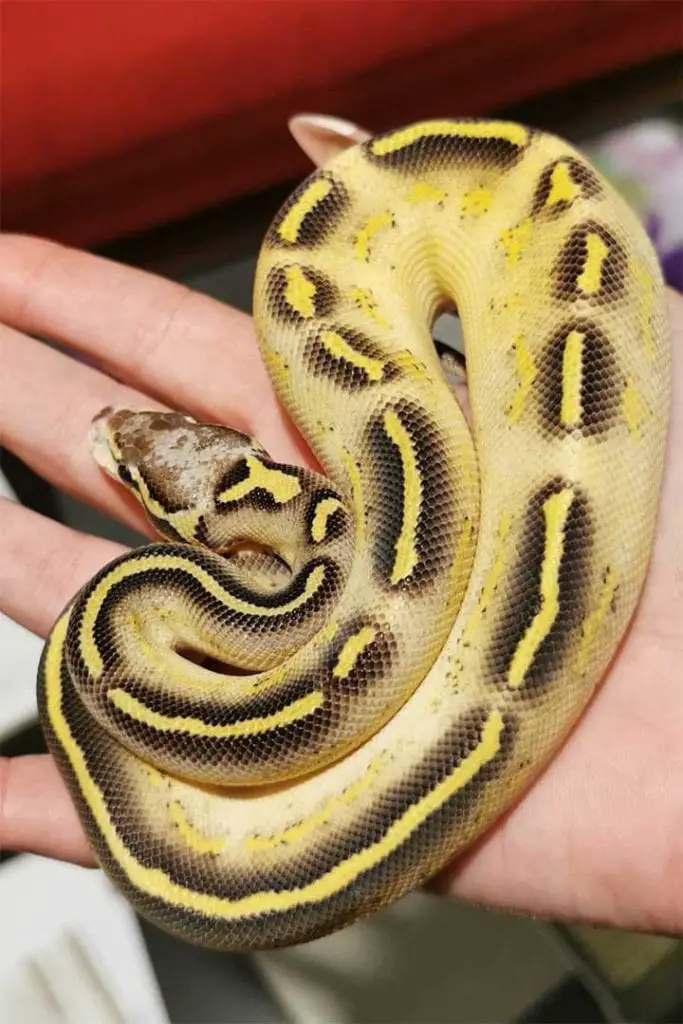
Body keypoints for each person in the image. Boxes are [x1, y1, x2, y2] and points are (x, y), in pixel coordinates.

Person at [0, 227, 681, 937]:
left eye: (132, 475)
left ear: (200, 528)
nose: (119, 437)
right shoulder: (328, 548)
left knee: (91, 640)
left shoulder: (284, 585)